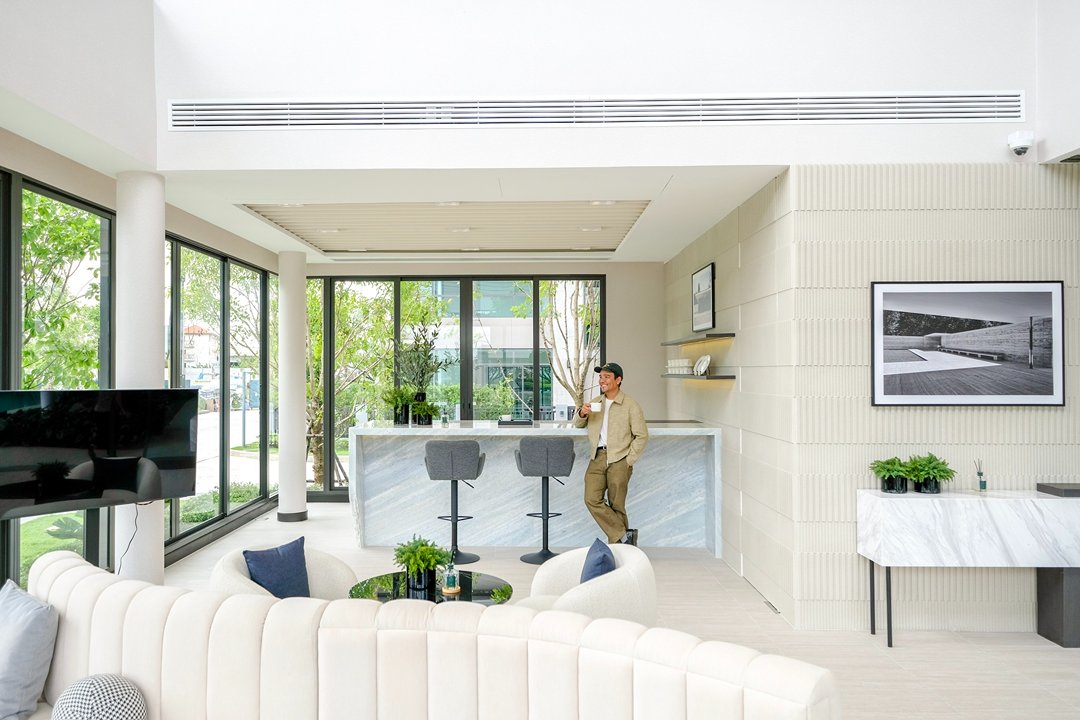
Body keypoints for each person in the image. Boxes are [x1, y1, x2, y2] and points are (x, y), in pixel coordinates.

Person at [573, 361, 648, 545]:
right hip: (597, 457)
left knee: (617, 505)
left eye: (607, 377)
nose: (602, 380)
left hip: (619, 459)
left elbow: (642, 436)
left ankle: (620, 549)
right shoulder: (595, 402)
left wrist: (629, 460)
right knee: (591, 499)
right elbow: (578, 424)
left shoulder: (630, 405)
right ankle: (625, 537)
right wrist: (582, 413)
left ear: (618, 380)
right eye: (600, 377)